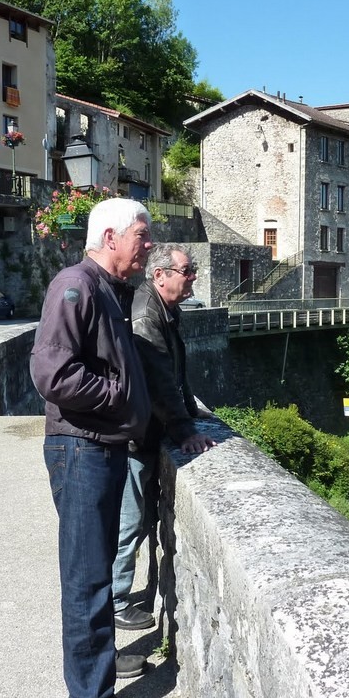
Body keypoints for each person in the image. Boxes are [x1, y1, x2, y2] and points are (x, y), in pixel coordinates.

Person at [30, 197, 155, 698]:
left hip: (97, 447)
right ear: (110, 237)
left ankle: (99, 668)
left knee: (97, 572)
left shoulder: (108, 291)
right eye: (142, 236)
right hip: (81, 449)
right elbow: (52, 374)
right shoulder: (74, 285)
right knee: (85, 579)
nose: (147, 246)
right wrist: (118, 394)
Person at [112, 244, 217, 631]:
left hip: (143, 433)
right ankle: (116, 602)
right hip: (134, 438)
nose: (193, 278)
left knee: (135, 521)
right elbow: (158, 380)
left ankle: (117, 595)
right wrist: (185, 430)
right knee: (129, 522)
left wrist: (190, 407)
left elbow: (175, 371)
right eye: (186, 271)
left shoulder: (162, 308)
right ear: (160, 275)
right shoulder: (146, 315)